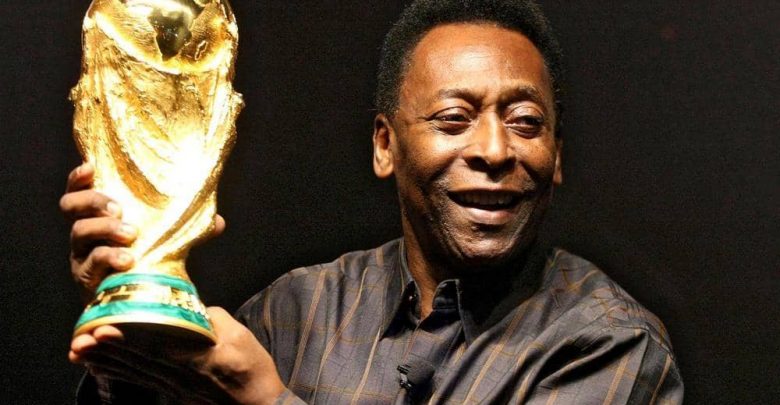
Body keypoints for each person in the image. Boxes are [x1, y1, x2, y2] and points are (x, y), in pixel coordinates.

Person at [61, 0, 683, 403]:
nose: (495, 150)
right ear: (385, 145)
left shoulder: (607, 344)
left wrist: (266, 401)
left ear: (557, 156)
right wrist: (128, 323)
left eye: (525, 122)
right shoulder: (295, 311)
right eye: (453, 119)